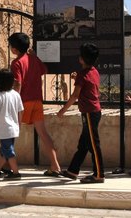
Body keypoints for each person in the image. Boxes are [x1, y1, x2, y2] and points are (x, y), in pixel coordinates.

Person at [7, 33, 62, 177]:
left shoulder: (16, 63)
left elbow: (17, 82)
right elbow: (45, 70)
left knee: (11, 133)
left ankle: (5, 165)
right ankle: (55, 165)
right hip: (37, 100)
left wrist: (14, 100)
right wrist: (35, 56)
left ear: (14, 49)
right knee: (43, 133)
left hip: (23, 102)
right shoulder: (33, 59)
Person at [57, 42, 105, 183]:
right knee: (84, 144)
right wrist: (76, 78)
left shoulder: (82, 75)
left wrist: (63, 110)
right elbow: (87, 85)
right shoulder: (93, 71)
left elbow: (75, 96)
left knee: (93, 145)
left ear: (82, 59)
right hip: (93, 112)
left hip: (90, 113)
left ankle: (99, 174)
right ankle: (73, 171)